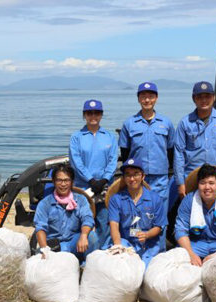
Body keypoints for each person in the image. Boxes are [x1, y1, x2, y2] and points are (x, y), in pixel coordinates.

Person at [173, 81, 216, 199]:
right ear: (193, 99)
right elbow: (179, 154)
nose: (204, 100)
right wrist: (180, 183)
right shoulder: (185, 122)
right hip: (193, 177)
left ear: (214, 97)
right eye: (200, 97)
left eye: (207, 96)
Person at [119, 82, 176, 210]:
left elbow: (171, 149)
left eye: (151, 96)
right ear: (138, 99)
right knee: (137, 215)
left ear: (156, 98)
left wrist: (170, 171)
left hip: (160, 179)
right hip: (137, 178)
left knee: (160, 216)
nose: (147, 100)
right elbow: (125, 153)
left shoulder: (166, 123)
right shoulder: (129, 123)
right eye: (143, 96)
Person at [69, 99, 118, 247]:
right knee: (82, 220)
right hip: (84, 186)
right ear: (84, 115)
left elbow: (113, 160)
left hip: (104, 187)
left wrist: (104, 179)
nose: (93, 116)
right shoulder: (76, 137)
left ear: (101, 115)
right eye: (89, 113)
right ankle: (83, 252)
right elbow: (76, 161)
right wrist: (90, 180)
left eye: (96, 112)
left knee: (104, 221)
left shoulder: (109, 137)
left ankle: (103, 252)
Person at [174, 164, 216, 266]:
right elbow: (180, 230)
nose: (207, 187)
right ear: (198, 184)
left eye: (211, 183)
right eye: (203, 183)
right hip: (195, 245)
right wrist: (191, 254)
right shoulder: (189, 200)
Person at [107, 158, 168, 267]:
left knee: (147, 272)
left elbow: (158, 226)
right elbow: (114, 225)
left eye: (136, 174)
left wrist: (147, 235)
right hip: (125, 242)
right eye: (128, 175)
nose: (132, 179)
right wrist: (117, 245)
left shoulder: (155, 198)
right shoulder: (116, 199)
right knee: (119, 267)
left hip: (149, 245)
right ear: (124, 178)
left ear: (143, 176)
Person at [33, 164, 98, 261]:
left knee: (92, 237)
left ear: (72, 182)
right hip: (54, 246)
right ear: (54, 182)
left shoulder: (81, 200)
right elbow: (40, 228)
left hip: (74, 244)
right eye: (59, 180)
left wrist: (84, 235)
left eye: (67, 180)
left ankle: (84, 266)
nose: (63, 184)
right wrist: (44, 250)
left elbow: (88, 219)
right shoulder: (44, 203)